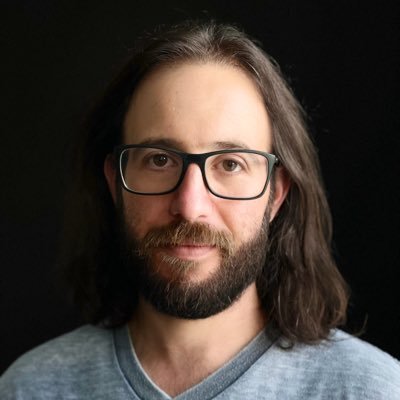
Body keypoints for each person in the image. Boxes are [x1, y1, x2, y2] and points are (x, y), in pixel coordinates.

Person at [1, 20, 399, 400]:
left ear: (276, 193)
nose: (190, 207)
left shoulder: (372, 390)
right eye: (159, 160)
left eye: (230, 164)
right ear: (115, 182)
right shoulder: (30, 389)